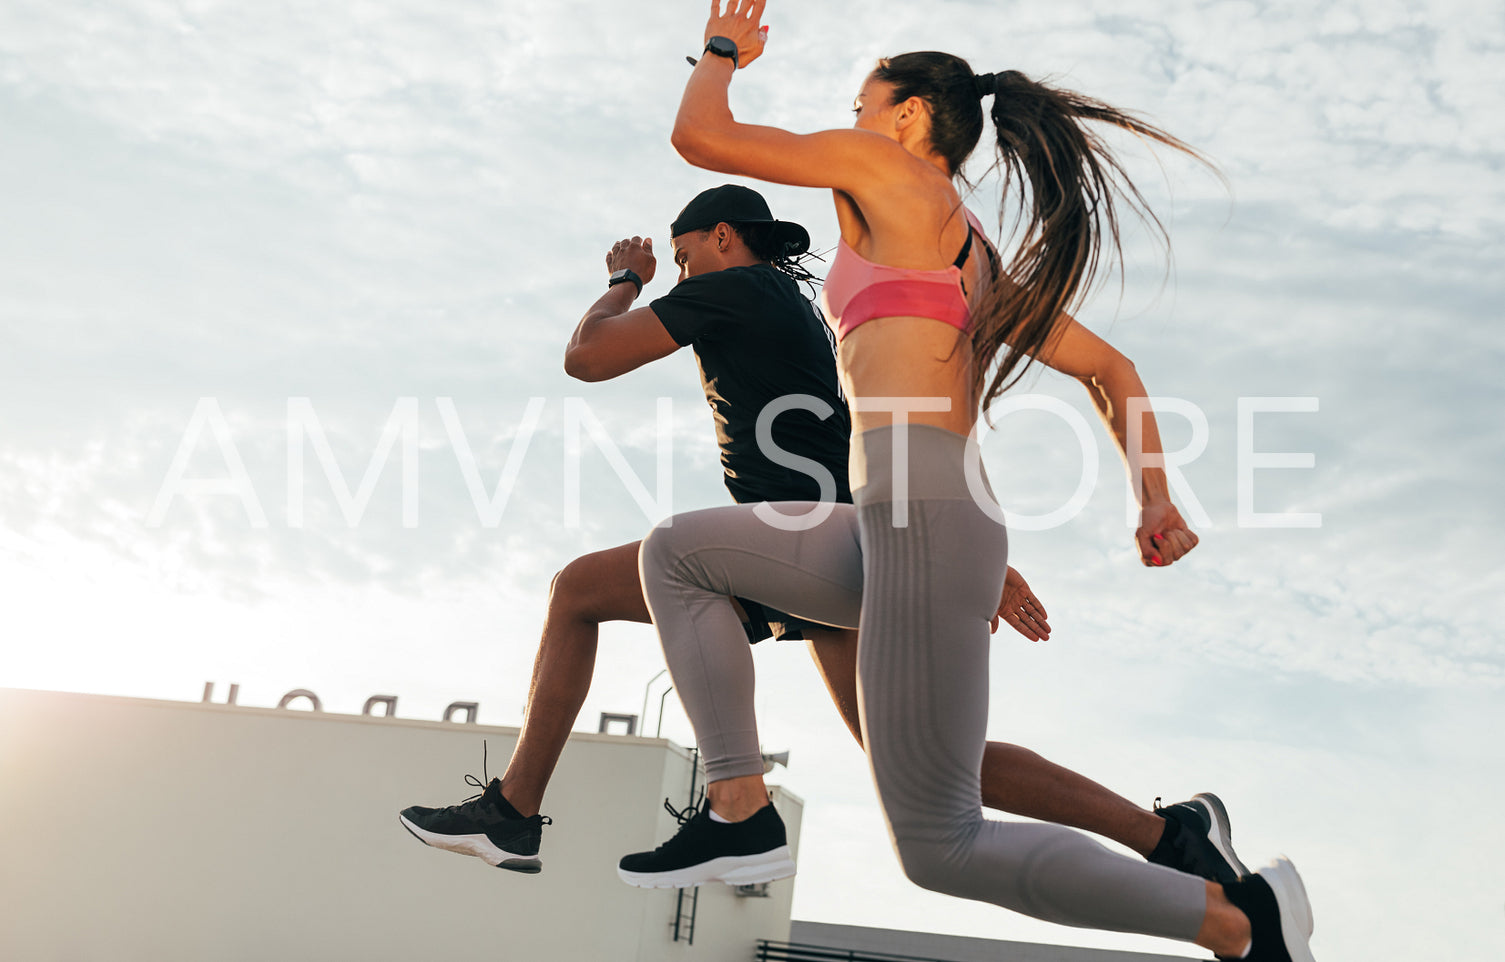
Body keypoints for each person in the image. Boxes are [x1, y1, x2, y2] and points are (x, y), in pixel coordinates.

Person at [619, 5, 1314, 962]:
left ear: (907, 118)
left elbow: (701, 137)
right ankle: (737, 805)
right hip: (893, 514)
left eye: (861, 104)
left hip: (924, 512)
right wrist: (1153, 497)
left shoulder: (890, 173)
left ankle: (1238, 923)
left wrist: (724, 51)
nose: (850, 121)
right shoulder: (967, 251)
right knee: (680, 554)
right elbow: (1112, 369)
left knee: (939, 844)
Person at [396, 186, 1247, 895]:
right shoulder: (794, 311)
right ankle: (1167, 837)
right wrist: (974, 563)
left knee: (580, 589)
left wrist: (623, 281)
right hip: (849, 547)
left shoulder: (737, 289)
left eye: (685, 255)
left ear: (722, 238)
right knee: (915, 759)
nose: (679, 273)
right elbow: (856, 440)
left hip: (806, 545)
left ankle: (523, 811)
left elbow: (588, 358)